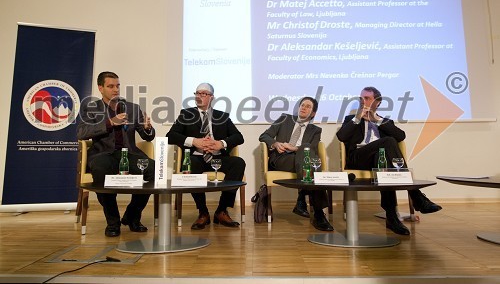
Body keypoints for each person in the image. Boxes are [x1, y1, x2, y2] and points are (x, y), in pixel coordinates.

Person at [336, 86, 442, 235]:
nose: (363, 101)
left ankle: (391, 217)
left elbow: (401, 136)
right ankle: (416, 195)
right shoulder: (351, 119)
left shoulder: (385, 121)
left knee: (384, 163)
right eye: (361, 98)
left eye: (367, 98)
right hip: (358, 158)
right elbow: (341, 137)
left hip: (378, 159)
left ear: (377, 102)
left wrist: (377, 120)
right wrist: (358, 118)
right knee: (388, 142)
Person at [77, 71, 155, 237]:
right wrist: (111, 122)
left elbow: (147, 136)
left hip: (130, 153)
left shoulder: (133, 108)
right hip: (103, 154)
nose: (115, 89)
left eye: (118, 85)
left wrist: (148, 128)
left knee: (153, 170)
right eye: (111, 86)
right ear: (100, 88)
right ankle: (113, 222)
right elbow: (82, 132)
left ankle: (132, 216)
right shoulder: (92, 108)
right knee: (100, 170)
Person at [166, 83, 245, 230]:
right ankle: (203, 212)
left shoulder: (222, 116)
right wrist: (194, 141)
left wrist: (221, 144)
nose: (199, 96)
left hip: (217, 158)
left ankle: (221, 210)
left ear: (211, 97)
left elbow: (239, 137)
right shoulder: (186, 114)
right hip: (197, 157)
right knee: (190, 164)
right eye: (197, 93)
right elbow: (170, 136)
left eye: (203, 94)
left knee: (238, 163)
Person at [259, 97, 333, 231]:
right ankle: (315, 211)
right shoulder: (285, 119)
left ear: (313, 113)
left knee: (306, 150)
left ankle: (304, 203)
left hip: (302, 159)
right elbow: (264, 136)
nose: (303, 108)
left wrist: (296, 148)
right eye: (302, 105)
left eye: (308, 106)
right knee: (309, 160)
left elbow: (314, 148)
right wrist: (276, 144)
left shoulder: (315, 130)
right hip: (282, 158)